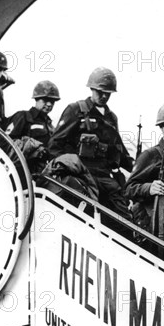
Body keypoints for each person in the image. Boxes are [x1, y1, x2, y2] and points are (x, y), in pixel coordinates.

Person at [48, 67, 134, 222]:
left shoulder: (111, 118)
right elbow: (55, 145)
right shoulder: (76, 110)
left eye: (107, 93)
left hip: (105, 175)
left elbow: (120, 152)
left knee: (123, 218)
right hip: (82, 174)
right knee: (84, 215)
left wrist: (137, 168)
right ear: (92, 89)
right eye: (99, 92)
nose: (103, 96)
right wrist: (69, 167)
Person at [4, 80, 60, 176]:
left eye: (52, 101)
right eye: (45, 100)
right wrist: (33, 148)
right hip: (22, 170)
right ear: (37, 99)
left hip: (42, 171)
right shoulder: (23, 116)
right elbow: (8, 142)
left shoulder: (50, 126)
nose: (49, 104)